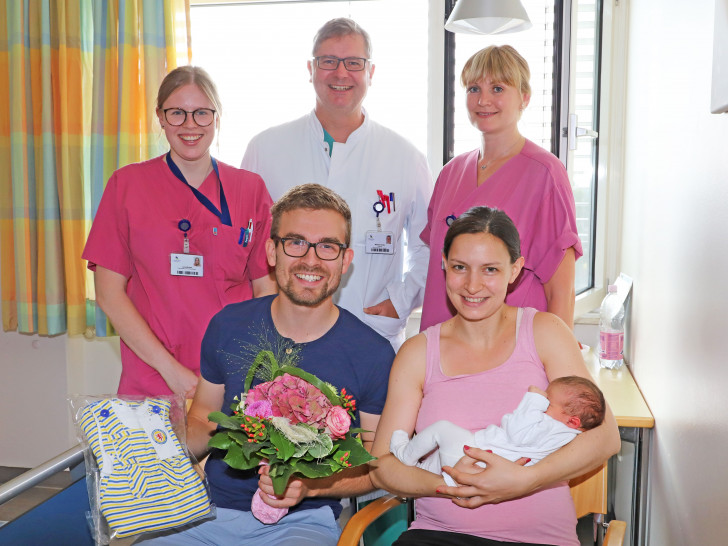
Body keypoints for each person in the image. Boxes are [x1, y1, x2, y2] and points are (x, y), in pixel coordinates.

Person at [136, 184, 395, 545]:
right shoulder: (228, 326)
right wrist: (152, 447)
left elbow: (377, 467)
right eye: (295, 242)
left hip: (302, 523)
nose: (311, 259)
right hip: (207, 514)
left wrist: (311, 488)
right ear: (272, 251)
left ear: (344, 260)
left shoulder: (373, 353)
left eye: (327, 246)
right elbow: (202, 418)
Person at [370, 206, 620, 546]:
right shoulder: (417, 353)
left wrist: (524, 480)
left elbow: (606, 437)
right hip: (441, 535)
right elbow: (383, 464)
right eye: (460, 267)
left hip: (540, 538)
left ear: (514, 269)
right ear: (443, 264)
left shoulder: (545, 332)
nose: (473, 285)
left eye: (490, 269)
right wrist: (451, 485)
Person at [82, 66, 276, 398]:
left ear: (216, 117)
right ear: (160, 117)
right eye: (177, 113)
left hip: (233, 375)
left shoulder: (249, 189)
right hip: (153, 375)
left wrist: (245, 365)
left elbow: (267, 289)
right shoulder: (127, 186)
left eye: (201, 113)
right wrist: (173, 373)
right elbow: (109, 294)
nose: (190, 125)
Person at [242, 18, 433, 349]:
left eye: (354, 63)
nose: (341, 73)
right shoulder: (266, 148)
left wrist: (399, 302)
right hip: (284, 332)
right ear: (311, 69)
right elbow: (248, 243)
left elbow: (427, 245)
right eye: (328, 61)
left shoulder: (405, 157)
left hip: (372, 332)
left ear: (371, 72)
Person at [420, 45, 582, 332]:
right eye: (473, 89)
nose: (483, 100)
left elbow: (562, 291)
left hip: (513, 349)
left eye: (497, 88)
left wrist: (559, 365)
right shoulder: (450, 174)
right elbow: (436, 269)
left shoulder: (545, 174)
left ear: (524, 97)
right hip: (442, 342)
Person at [390, 376, 606, 486]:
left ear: (572, 421)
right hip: (478, 464)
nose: (544, 403)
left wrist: (534, 400)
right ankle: (424, 468)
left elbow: (517, 432)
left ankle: (405, 455)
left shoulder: (554, 429)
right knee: (440, 455)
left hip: (476, 458)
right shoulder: (564, 434)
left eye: (548, 402)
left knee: (442, 429)